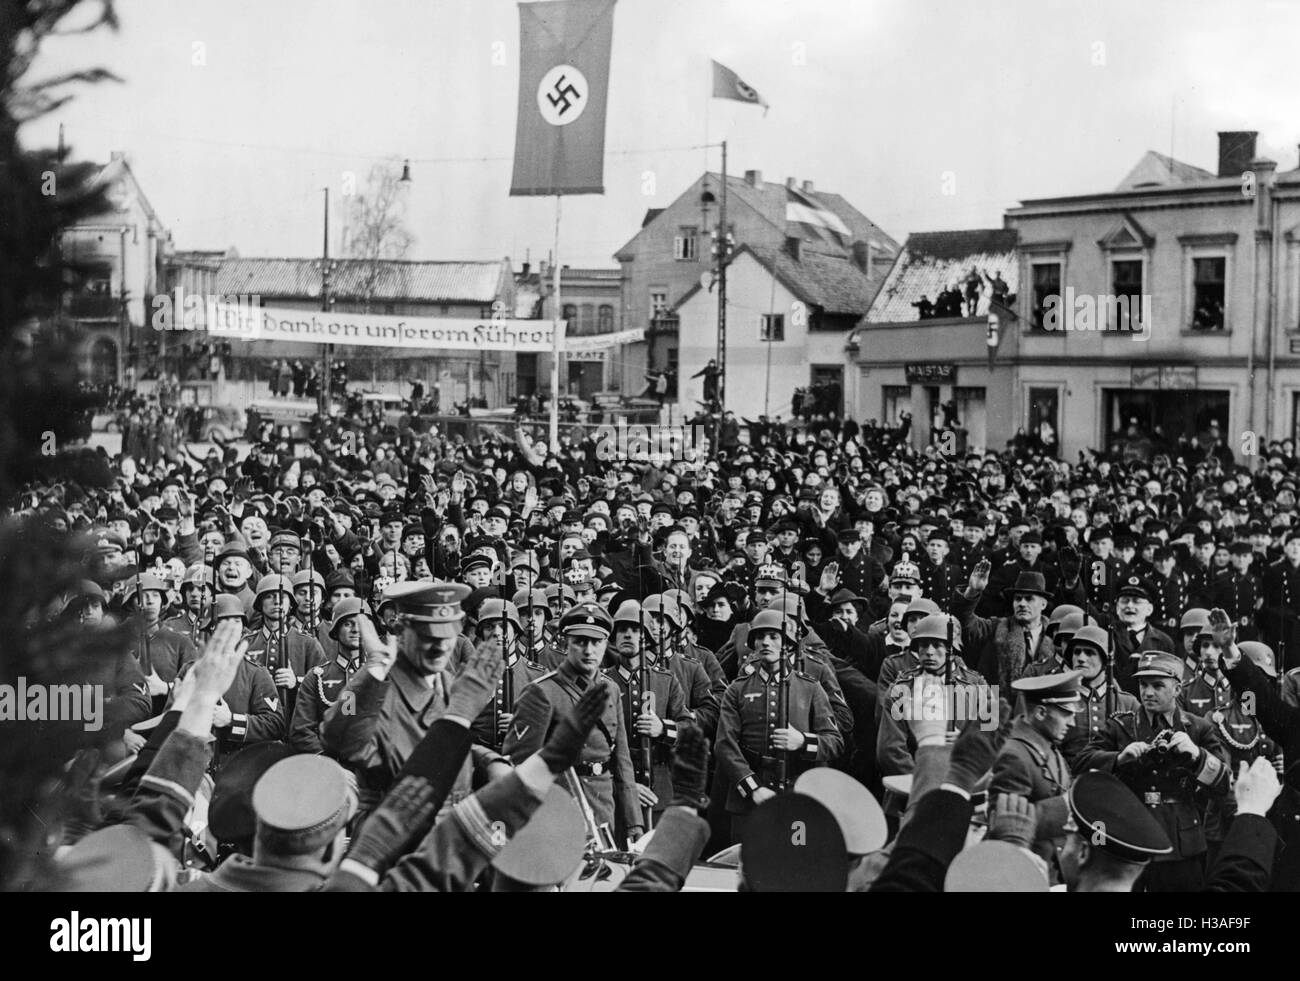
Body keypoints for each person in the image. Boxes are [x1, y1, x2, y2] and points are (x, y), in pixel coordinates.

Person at [320, 582, 512, 817]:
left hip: (449, 830)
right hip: (394, 832)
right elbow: (340, 739)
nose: (440, 647)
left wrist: (488, 760)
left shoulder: (449, 683)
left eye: (448, 636)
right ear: (402, 632)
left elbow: (448, 743)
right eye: (429, 637)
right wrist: (375, 669)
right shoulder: (376, 687)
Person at [1074, 650, 1231, 891]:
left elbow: (1223, 784)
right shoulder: (1120, 726)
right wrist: (1119, 758)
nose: (1147, 693)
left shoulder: (1198, 728)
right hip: (1130, 835)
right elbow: (1081, 762)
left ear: (1178, 689)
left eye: (1157, 686)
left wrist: (1198, 756)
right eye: (1143, 685)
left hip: (1180, 841)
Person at [503, 602, 644, 846]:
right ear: (566, 642)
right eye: (580, 641)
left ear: (605, 644)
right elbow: (520, 764)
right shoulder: (543, 692)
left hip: (603, 805)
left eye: (596, 642)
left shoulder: (610, 689)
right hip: (559, 804)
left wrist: (633, 820)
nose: (589, 650)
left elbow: (621, 759)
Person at [714, 609, 843, 839]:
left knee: (793, 862)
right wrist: (753, 788)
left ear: (789, 644)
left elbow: (834, 742)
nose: (765, 642)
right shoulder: (737, 689)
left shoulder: (810, 688)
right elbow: (725, 745)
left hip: (798, 794)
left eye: (774, 636)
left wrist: (803, 742)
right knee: (743, 865)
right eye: (760, 636)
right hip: (749, 798)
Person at [989, 671, 1083, 869]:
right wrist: (1065, 807)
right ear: (1040, 713)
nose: (1072, 722)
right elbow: (1004, 824)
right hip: (1024, 869)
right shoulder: (1014, 755)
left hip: (1049, 865)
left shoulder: (1043, 740)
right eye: (1066, 714)